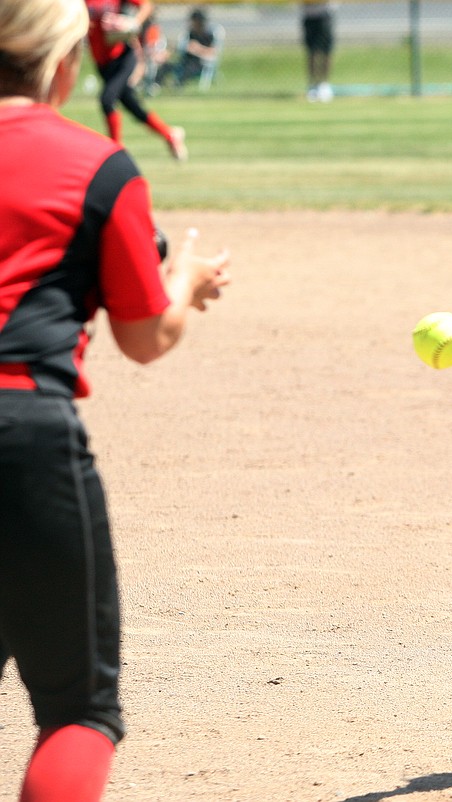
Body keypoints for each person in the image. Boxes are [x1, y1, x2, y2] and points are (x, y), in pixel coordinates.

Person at [0, 0, 231, 798]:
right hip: (23, 431)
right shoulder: (96, 164)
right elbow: (145, 338)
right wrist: (186, 279)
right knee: (76, 713)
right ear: (62, 67)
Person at [84, 0, 187, 160]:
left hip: (122, 57)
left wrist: (131, 22)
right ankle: (170, 134)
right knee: (132, 105)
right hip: (102, 62)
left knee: (107, 99)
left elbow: (146, 5)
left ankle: (116, 151)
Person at [164, 7, 222, 90]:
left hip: (199, 63)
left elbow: (213, 52)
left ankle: (177, 85)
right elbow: (181, 47)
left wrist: (197, 48)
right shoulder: (191, 33)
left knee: (188, 69)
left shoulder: (209, 35)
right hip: (186, 60)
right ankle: (158, 85)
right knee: (167, 66)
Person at [301, 0, 336, 102]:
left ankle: (324, 84)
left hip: (324, 14)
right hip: (309, 15)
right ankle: (313, 85)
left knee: (326, 52)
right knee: (312, 52)